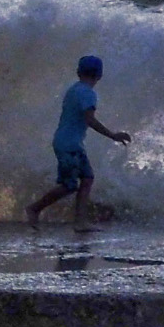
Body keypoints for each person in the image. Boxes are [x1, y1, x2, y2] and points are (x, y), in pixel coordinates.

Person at [27, 55, 131, 231]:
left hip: (66, 142)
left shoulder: (74, 89)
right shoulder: (88, 94)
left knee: (87, 178)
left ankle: (80, 222)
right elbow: (89, 119)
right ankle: (34, 208)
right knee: (69, 185)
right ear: (99, 75)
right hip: (69, 145)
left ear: (78, 72)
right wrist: (112, 135)